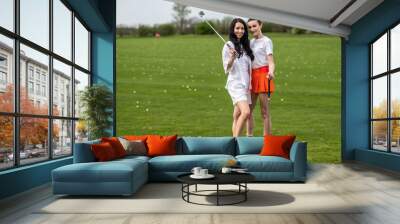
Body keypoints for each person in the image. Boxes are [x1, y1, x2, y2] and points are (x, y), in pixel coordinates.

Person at [222, 18, 254, 137]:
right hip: (235, 84)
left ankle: (234, 140)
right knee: (246, 112)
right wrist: (232, 58)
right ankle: (235, 142)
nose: (240, 31)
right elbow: (227, 68)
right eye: (237, 28)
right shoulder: (228, 46)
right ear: (232, 30)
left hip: (246, 85)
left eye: (242, 28)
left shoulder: (246, 45)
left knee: (236, 115)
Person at [246, 19, 276, 136]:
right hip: (252, 77)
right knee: (248, 111)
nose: (252, 29)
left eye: (254, 26)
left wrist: (271, 72)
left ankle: (267, 140)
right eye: (250, 27)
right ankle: (249, 138)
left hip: (264, 75)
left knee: (264, 112)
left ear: (260, 25)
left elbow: (271, 62)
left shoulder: (267, 41)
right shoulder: (250, 42)